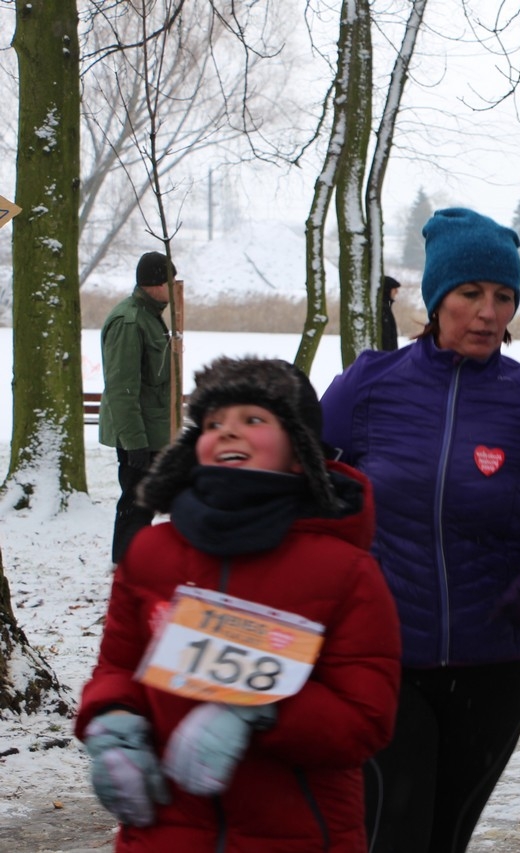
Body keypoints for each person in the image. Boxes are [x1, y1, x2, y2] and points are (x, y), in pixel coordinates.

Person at [320, 208, 520, 851]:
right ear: (435, 298)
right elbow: (299, 484)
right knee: (394, 830)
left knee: (444, 836)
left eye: (504, 296)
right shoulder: (369, 385)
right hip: (384, 656)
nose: (488, 313)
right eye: (470, 294)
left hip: (496, 664)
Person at [76, 356, 402, 850]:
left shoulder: (347, 571)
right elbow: (118, 668)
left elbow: (365, 719)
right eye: (212, 423)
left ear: (300, 451)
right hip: (164, 833)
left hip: (299, 836)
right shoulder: (150, 553)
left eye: (253, 419)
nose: (228, 432)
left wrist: (259, 708)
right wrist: (112, 724)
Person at [99, 251, 177, 564]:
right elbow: (123, 389)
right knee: (136, 502)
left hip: (153, 430)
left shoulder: (149, 315)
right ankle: (125, 566)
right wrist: (135, 444)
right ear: (155, 284)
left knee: (145, 501)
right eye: (169, 282)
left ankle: (136, 562)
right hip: (139, 434)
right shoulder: (129, 321)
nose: (173, 290)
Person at [380, 275, 401, 351]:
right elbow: (386, 338)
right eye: (394, 289)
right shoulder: (384, 310)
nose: (397, 292)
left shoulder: (386, 308)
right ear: (387, 289)